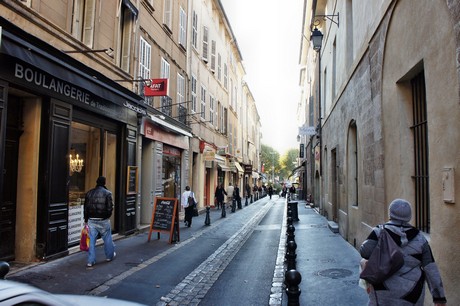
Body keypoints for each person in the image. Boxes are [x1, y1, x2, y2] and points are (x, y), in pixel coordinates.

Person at [359, 199, 447, 306]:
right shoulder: (420, 238)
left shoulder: (379, 232)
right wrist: (439, 298)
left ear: (390, 213)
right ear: (409, 216)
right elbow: (431, 268)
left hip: (382, 290)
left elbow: (365, 252)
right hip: (412, 293)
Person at [84, 176, 115, 268]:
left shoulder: (89, 193)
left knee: (92, 241)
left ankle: (90, 261)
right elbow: (110, 208)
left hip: (91, 220)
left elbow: (86, 208)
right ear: (104, 183)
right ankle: (109, 256)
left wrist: (86, 219)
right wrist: (106, 216)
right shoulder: (108, 193)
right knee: (107, 239)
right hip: (103, 220)